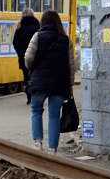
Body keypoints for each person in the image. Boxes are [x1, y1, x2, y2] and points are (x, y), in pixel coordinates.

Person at [24, 10, 74, 153]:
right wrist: (70, 84)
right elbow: (71, 65)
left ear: (43, 21)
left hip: (40, 82)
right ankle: (52, 149)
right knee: (54, 115)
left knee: (36, 110)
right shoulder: (66, 40)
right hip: (59, 83)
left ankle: (38, 143)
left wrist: (31, 68)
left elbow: (28, 58)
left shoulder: (37, 37)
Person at [12, 8, 40, 104]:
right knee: (36, 76)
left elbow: (15, 43)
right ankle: (36, 95)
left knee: (26, 77)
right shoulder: (38, 26)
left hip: (24, 57)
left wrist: (20, 52)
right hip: (37, 57)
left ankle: (29, 97)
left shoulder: (20, 28)